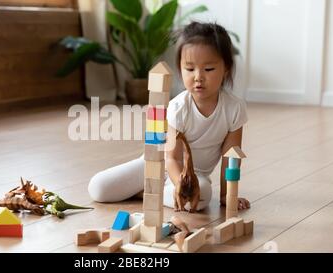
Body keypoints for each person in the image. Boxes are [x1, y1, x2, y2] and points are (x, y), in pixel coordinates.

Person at [88, 21, 250, 212]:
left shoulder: (234, 108)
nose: (198, 76)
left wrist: (226, 195)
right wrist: (178, 183)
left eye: (208, 69)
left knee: (201, 197)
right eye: (190, 69)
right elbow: (172, 158)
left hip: (195, 175)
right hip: (159, 163)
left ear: (227, 69)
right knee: (98, 188)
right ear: (180, 68)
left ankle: (151, 192)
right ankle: (155, 190)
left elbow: (229, 157)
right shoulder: (179, 107)